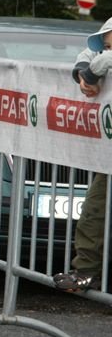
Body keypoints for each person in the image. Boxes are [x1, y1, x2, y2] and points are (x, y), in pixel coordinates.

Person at [53, 17, 112, 292]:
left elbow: (97, 63)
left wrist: (93, 72)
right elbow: (87, 58)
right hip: (108, 156)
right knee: (94, 211)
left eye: (109, 43)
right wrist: (82, 74)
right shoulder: (102, 54)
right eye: (105, 44)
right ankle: (86, 273)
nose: (106, 48)